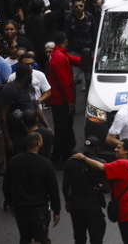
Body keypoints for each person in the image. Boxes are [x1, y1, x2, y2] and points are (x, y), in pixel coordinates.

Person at [73, 139, 128, 244]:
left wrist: (84, 158)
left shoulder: (121, 163)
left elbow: (101, 167)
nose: (115, 149)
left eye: (119, 147)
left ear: (126, 151)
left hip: (125, 207)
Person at [3, 131, 61, 244]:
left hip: (20, 208)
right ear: (39, 143)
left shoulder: (14, 161)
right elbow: (53, 190)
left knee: (25, 238)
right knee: (42, 239)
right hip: (39, 209)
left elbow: (6, 185)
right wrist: (56, 210)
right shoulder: (45, 164)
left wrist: (9, 202)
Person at [62, 136, 107, 244]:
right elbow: (107, 189)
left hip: (75, 205)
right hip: (93, 206)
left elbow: (65, 185)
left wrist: (67, 201)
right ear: (97, 149)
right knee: (96, 239)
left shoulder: (71, 161)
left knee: (79, 238)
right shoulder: (99, 164)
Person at [46, 31, 82, 165]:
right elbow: (65, 83)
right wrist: (70, 101)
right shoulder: (60, 58)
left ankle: (66, 152)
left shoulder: (59, 55)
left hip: (59, 100)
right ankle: (57, 158)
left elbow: (75, 60)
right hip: (60, 101)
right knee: (62, 130)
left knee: (66, 128)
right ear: (66, 41)